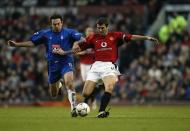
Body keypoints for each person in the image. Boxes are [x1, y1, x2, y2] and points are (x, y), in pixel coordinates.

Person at [72, 17, 159, 118]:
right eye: (98, 28)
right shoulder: (93, 37)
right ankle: (99, 87)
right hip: (96, 66)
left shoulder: (115, 35)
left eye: (102, 28)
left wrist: (147, 38)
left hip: (108, 66)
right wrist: (75, 45)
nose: (100, 30)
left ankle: (101, 111)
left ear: (107, 27)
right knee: (86, 93)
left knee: (109, 87)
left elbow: (131, 37)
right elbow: (79, 45)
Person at [7, 14, 85, 117]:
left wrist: (76, 43)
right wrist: (17, 45)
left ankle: (74, 108)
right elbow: (32, 42)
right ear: (51, 24)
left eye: (58, 24)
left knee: (70, 83)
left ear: (62, 23)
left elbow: (82, 39)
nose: (56, 26)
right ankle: (59, 84)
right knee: (54, 94)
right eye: (54, 24)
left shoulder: (69, 32)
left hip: (66, 62)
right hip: (52, 65)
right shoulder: (45, 34)